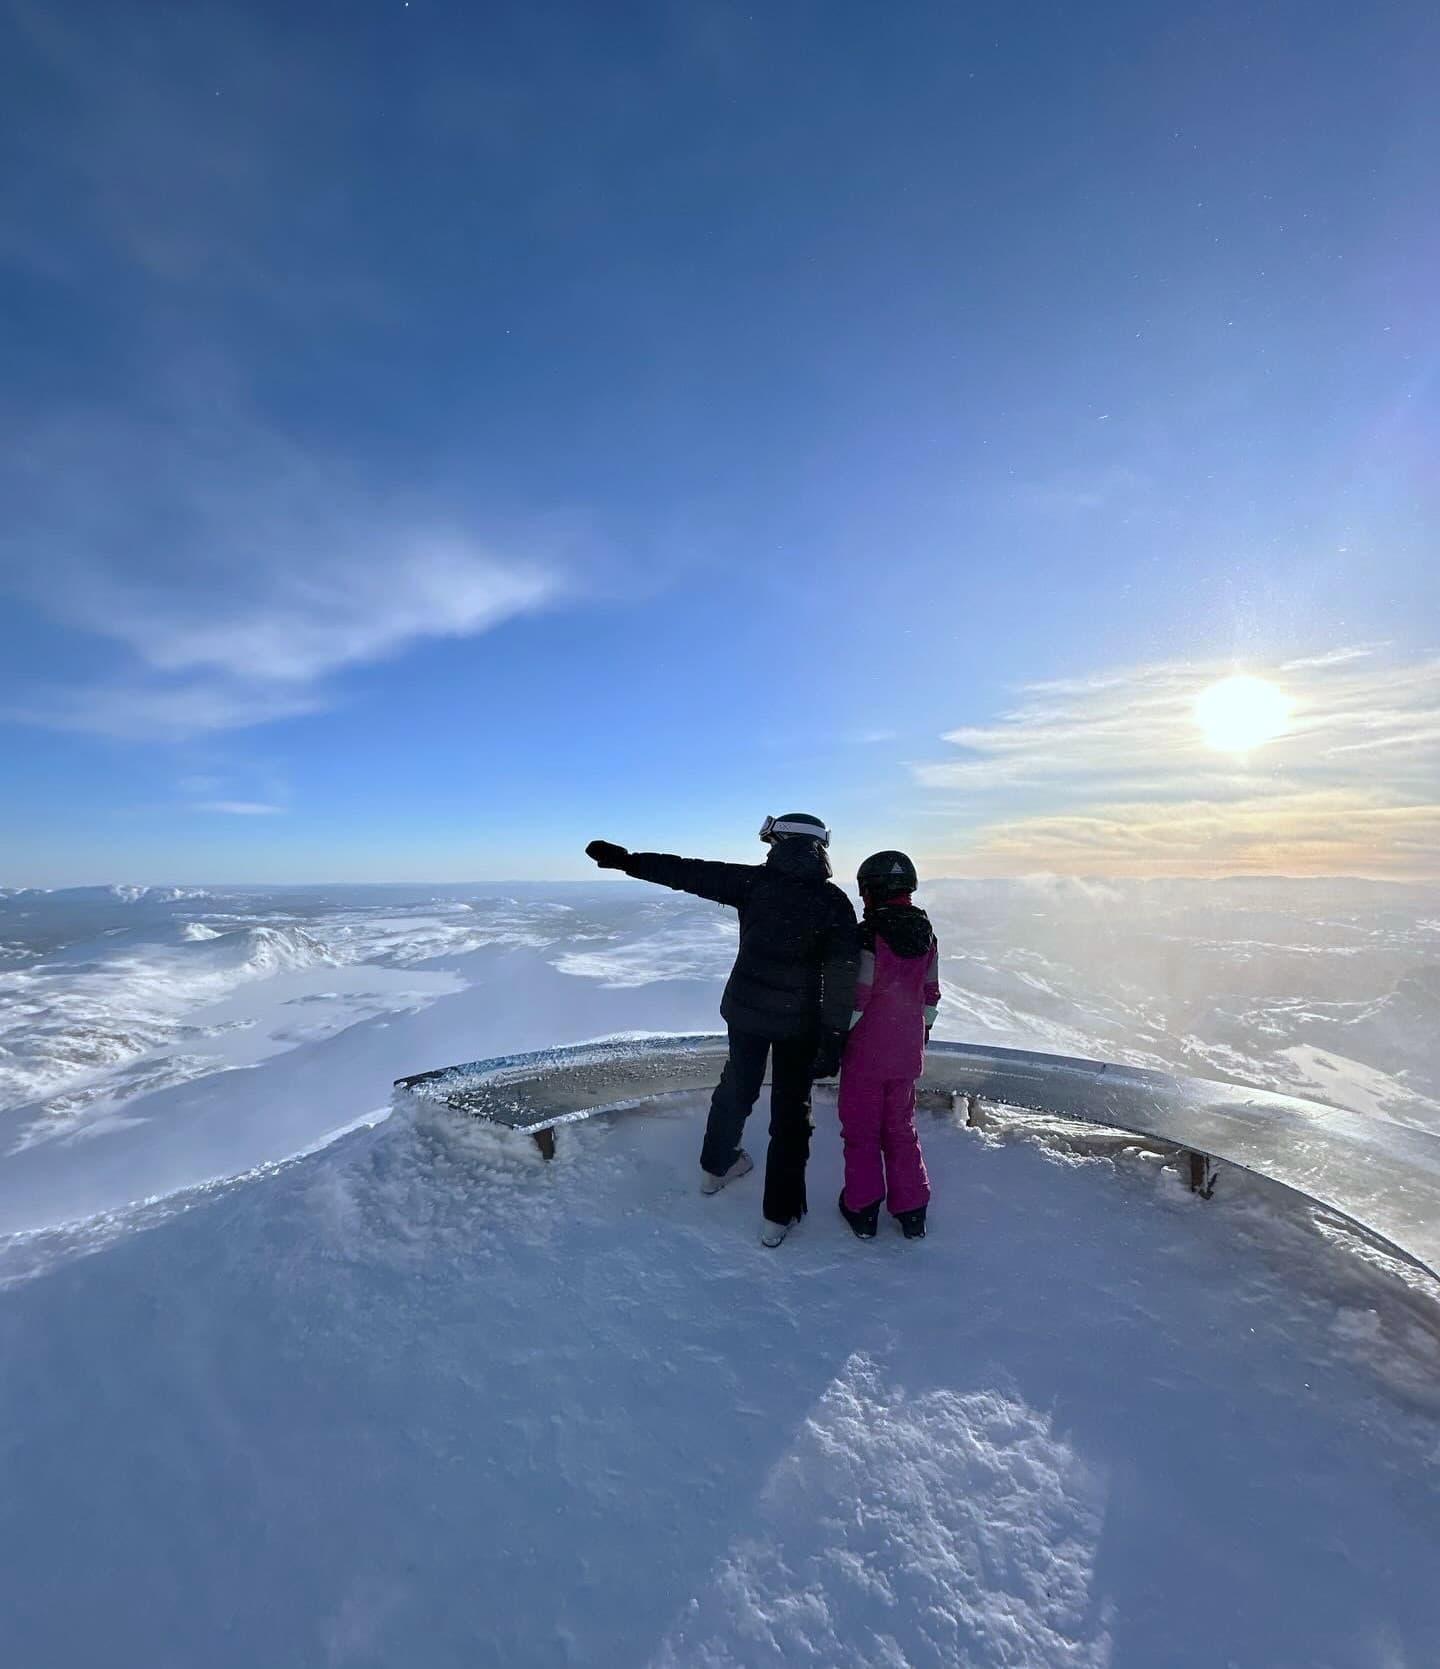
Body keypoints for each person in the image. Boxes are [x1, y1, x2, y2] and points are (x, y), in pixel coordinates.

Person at [586, 815, 858, 1246]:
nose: (767, 849)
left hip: (746, 1013)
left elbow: (686, 872)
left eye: (770, 841)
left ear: (781, 841)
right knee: (791, 1116)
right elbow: (843, 978)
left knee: (738, 1088)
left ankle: (715, 1169)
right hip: (798, 1024)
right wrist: (834, 1038)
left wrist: (627, 861)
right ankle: (777, 1216)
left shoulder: (754, 883)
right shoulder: (834, 903)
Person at [836, 851, 939, 1241]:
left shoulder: (869, 936)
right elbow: (931, 997)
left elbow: (858, 999)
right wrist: (916, 1036)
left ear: (870, 890)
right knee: (901, 1129)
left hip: (867, 1054)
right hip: (907, 1053)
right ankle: (913, 1212)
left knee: (862, 1132)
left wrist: (836, 1038)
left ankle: (862, 1209)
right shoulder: (927, 934)